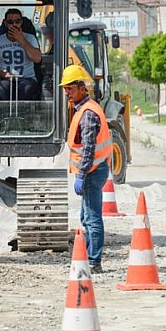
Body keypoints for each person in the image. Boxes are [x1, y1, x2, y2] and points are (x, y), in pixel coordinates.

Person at [60, 65, 112, 273]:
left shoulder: (88, 113)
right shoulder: (85, 108)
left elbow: (89, 149)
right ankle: (91, 258)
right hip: (94, 169)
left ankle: (93, 261)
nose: (67, 93)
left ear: (82, 88)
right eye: (65, 89)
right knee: (87, 217)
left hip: (91, 171)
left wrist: (81, 176)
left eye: (70, 89)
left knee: (92, 218)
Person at [0, 9, 42, 101]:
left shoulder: (30, 38)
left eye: (17, 21)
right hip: (6, 79)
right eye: (10, 22)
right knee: (2, 89)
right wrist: (3, 74)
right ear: (5, 23)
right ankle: (4, 114)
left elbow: (37, 59)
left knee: (26, 89)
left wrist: (21, 39)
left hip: (27, 78)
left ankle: (24, 115)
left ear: (22, 22)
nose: (14, 25)